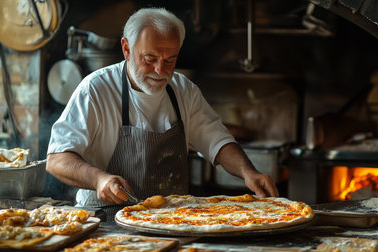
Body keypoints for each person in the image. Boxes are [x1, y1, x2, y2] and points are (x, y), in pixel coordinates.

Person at [46, 8, 278, 219]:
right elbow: (57, 160)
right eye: (150, 59)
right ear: (126, 49)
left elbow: (217, 141)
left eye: (170, 60)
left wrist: (248, 172)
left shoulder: (183, 90)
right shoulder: (96, 89)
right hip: (106, 222)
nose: (160, 70)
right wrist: (99, 179)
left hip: (172, 221)